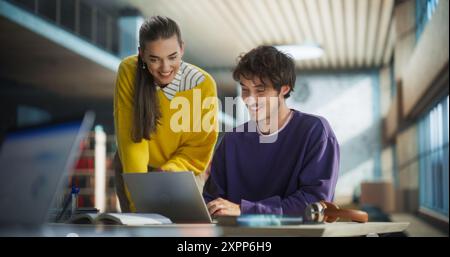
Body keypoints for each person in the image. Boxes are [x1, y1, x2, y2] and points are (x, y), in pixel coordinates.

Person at [203, 46, 340, 216]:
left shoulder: (314, 131)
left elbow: (315, 202)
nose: (250, 99)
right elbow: (212, 201)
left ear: (284, 89)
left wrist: (244, 210)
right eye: (245, 89)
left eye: (260, 90)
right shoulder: (232, 140)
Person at [114, 16, 218, 212]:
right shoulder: (128, 71)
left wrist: (168, 171)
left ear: (182, 49)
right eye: (154, 59)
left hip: (184, 171)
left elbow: (199, 148)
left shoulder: (203, 84)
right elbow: (132, 141)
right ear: (142, 54)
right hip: (134, 168)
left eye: (172, 57)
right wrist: (138, 204)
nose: (165, 68)